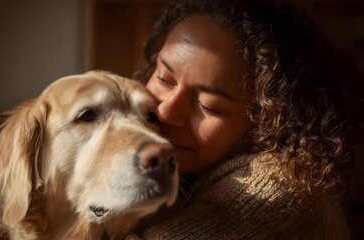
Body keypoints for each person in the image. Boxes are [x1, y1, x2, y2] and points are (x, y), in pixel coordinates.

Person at [127, 0, 362, 239]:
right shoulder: (185, 164)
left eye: (208, 105)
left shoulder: (276, 189)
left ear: (267, 120)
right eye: (165, 79)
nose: (167, 111)